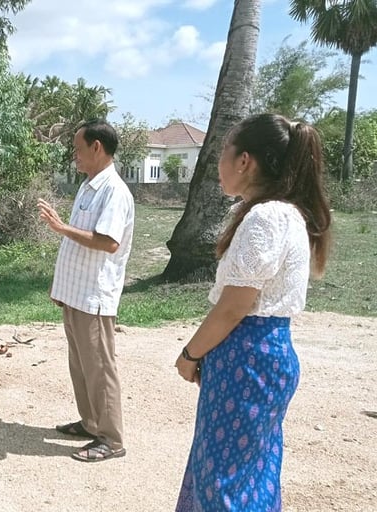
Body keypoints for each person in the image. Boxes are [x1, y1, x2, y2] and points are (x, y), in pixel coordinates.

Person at [174, 113, 332, 511]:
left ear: (244, 160)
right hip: (264, 354)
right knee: (250, 472)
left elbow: (234, 307)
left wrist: (190, 354)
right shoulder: (285, 213)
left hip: (245, 358)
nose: (219, 164)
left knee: (223, 483)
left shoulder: (266, 217)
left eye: (223, 153)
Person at [37, 119, 135, 462]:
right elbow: (78, 241)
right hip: (76, 293)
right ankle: (92, 423)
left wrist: (60, 227)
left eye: (78, 149)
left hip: (94, 296)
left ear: (97, 147)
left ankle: (111, 438)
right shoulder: (89, 186)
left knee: (99, 368)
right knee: (80, 364)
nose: (74, 155)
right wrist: (60, 287)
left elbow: (108, 242)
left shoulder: (114, 191)